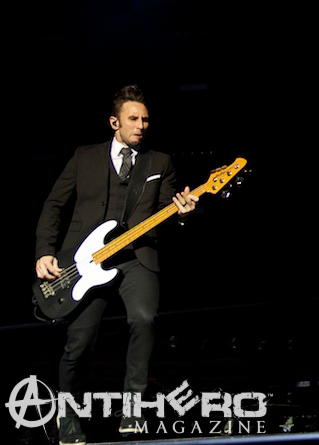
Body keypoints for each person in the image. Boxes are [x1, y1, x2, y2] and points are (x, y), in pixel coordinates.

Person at [34, 85, 199, 444]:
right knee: (79, 343)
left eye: (145, 120)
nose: (141, 125)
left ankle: (133, 410)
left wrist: (183, 214)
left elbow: (167, 212)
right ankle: (67, 416)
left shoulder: (159, 161)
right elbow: (54, 205)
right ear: (114, 122)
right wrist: (44, 252)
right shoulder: (84, 156)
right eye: (133, 119)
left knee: (144, 318)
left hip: (136, 257)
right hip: (84, 261)